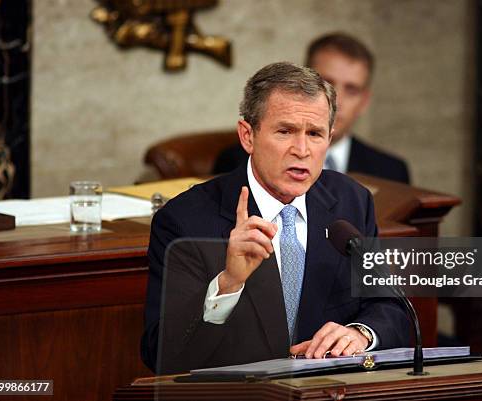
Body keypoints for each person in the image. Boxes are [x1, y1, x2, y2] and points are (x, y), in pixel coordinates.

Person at [141, 62, 409, 374]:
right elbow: (161, 353)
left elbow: (391, 307)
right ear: (247, 136)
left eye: (315, 134)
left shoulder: (351, 202)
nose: (302, 150)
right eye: (285, 131)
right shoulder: (185, 220)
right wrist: (227, 285)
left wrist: (360, 334)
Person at [213, 32, 410, 184]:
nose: (336, 100)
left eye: (351, 90)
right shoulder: (236, 160)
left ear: (364, 101)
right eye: (327, 84)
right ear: (301, 83)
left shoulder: (391, 172)